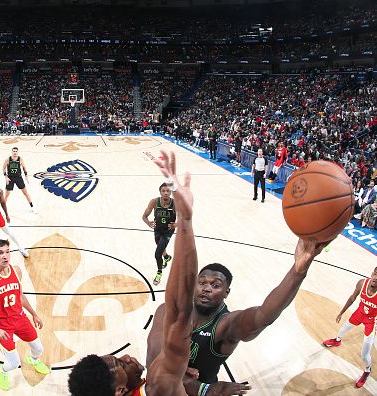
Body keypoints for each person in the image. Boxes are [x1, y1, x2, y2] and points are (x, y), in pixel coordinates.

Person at [68, 150, 200, 396]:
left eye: (118, 357)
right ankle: (163, 262)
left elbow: (165, 314)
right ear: (120, 389)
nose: (127, 357)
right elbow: (179, 311)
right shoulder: (157, 385)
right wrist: (186, 221)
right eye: (119, 364)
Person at [146, 240, 329, 395]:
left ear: (227, 293)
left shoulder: (226, 325)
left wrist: (297, 271)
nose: (207, 288)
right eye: (201, 283)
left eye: (215, 285)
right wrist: (198, 386)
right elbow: (153, 356)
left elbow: (264, 315)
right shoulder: (169, 311)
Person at [0, 239, 50, 391]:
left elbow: (19, 295)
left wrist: (33, 314)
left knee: (38, 349)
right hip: (2, 324)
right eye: (0, 253)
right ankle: (2, 371)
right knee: (13, 363)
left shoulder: (16, 271)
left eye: (8, 252)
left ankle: (33, 361)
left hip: (20, 318)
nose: (5, 256)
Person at [322, 267, 377, 388]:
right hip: (359, 313)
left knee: (364, 354)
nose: (376, 278)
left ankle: (367, 370)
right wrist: (341, 312)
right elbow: (352, 298)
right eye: (375, 274)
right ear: (372, 273)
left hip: (371, 321)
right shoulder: (362, 283)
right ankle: (337, 341)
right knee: (342, 329)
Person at [142, 183, 177, 286]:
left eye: (168, 191)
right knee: (161, 248)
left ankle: (159, 272)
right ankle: (166, 257)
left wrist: (176, 224)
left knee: (158, 253)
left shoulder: (175, 203)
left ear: (170, 192)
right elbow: (144, 216)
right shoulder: (154, 202)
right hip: (157, 230)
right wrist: (149, 223)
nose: (166, 193)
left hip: (168, 231)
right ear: (160, 192)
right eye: (163, 191)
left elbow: (185, 217)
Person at [3, 147, 36, 213]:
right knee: (6, 194)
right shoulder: (8, 159)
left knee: (25, 193)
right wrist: (6, 177)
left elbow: (24, 167)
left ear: (18, 152)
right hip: (10, 178)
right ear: (12, 152)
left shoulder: (20, 159)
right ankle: (2, 210)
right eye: (14, 151)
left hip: (18, 178)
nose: (15, 152)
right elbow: (3, 168)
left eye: (16, 151)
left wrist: (26, 175)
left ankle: (32, 207)